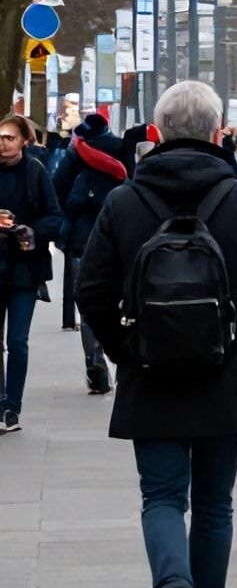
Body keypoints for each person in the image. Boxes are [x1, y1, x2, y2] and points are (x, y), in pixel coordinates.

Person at [75, 81, 237, 588]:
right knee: (216, 503)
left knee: (162, 496)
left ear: (158, 132)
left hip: (150, 375)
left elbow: (91, 290)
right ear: (217, 130)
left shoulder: (125, 201)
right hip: (224, 374)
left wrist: (128, 350)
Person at [0, 114, 64, 431]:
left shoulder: (35, 173)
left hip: (25, 271)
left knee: (18, 341)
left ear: (24, 140)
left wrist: (30, 232)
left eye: (8, 137)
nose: (2, 143)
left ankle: (12, 406)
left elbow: (55, 218)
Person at [61, 123, 130, 394]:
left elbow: (59, 192)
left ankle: (95, 362)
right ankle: (123, 358)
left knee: (88, 304)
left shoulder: (74, 156)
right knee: (124, 301)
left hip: (83, 240)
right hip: (121, 239)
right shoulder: (123, 151)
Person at [55, 114, 126, 329]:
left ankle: (71, 320)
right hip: (118, 224)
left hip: (82, 227)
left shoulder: (76, 153)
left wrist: (65, 213)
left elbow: (58, 185)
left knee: (79, 284)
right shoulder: (121, 148)